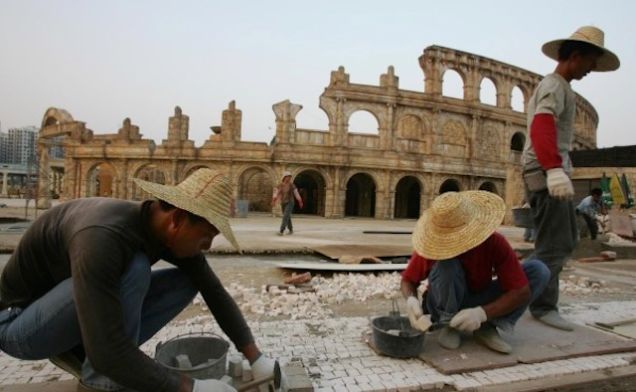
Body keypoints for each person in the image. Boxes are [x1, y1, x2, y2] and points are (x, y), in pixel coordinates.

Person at [0, 168, 284, 392]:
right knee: (135, 267)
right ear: (178, 220)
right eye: (206, 237)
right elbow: (107, 354)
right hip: (19, 325)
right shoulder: (104, 237)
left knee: (189, 281)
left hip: (71, 317)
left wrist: (255, 357)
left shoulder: (162, 229)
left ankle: (79, 351)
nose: (208, 246)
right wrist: (189, 387)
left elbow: (214, 290)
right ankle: (98, 382)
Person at [521, 26, 619, 331]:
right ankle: (538, 303)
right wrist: (552, 169)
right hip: (544, 171)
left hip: (550, 170)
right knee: (554, 245)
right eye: (591, 63)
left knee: (564, 240)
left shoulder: (560, 87)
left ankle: (521, 290)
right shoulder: (554, 86)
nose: (591, 70)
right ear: (575, 57)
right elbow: (541, 126)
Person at [401, 191, 550, 354]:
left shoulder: (494, 242)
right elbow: (408, 280)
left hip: (480, 298)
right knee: (446, 264)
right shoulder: (434, 246)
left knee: (538, 271)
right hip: (444, 301)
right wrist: (411, 300)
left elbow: (520, 291)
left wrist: (483, 314)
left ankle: (488, 326)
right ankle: (448, 324)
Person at [271, 171, 304, 236]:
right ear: (284, 177)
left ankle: (281, 230)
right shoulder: (280, 185)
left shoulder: (292, 185)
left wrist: (300, 201)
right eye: (288, 177)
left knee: (285, 216)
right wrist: (273, 200)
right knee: (287, 216)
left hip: (290, 202)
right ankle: (291, 229)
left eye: (290, 177)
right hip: (283, 202)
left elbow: (296, 193)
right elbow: (275, 193)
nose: (289, 178)